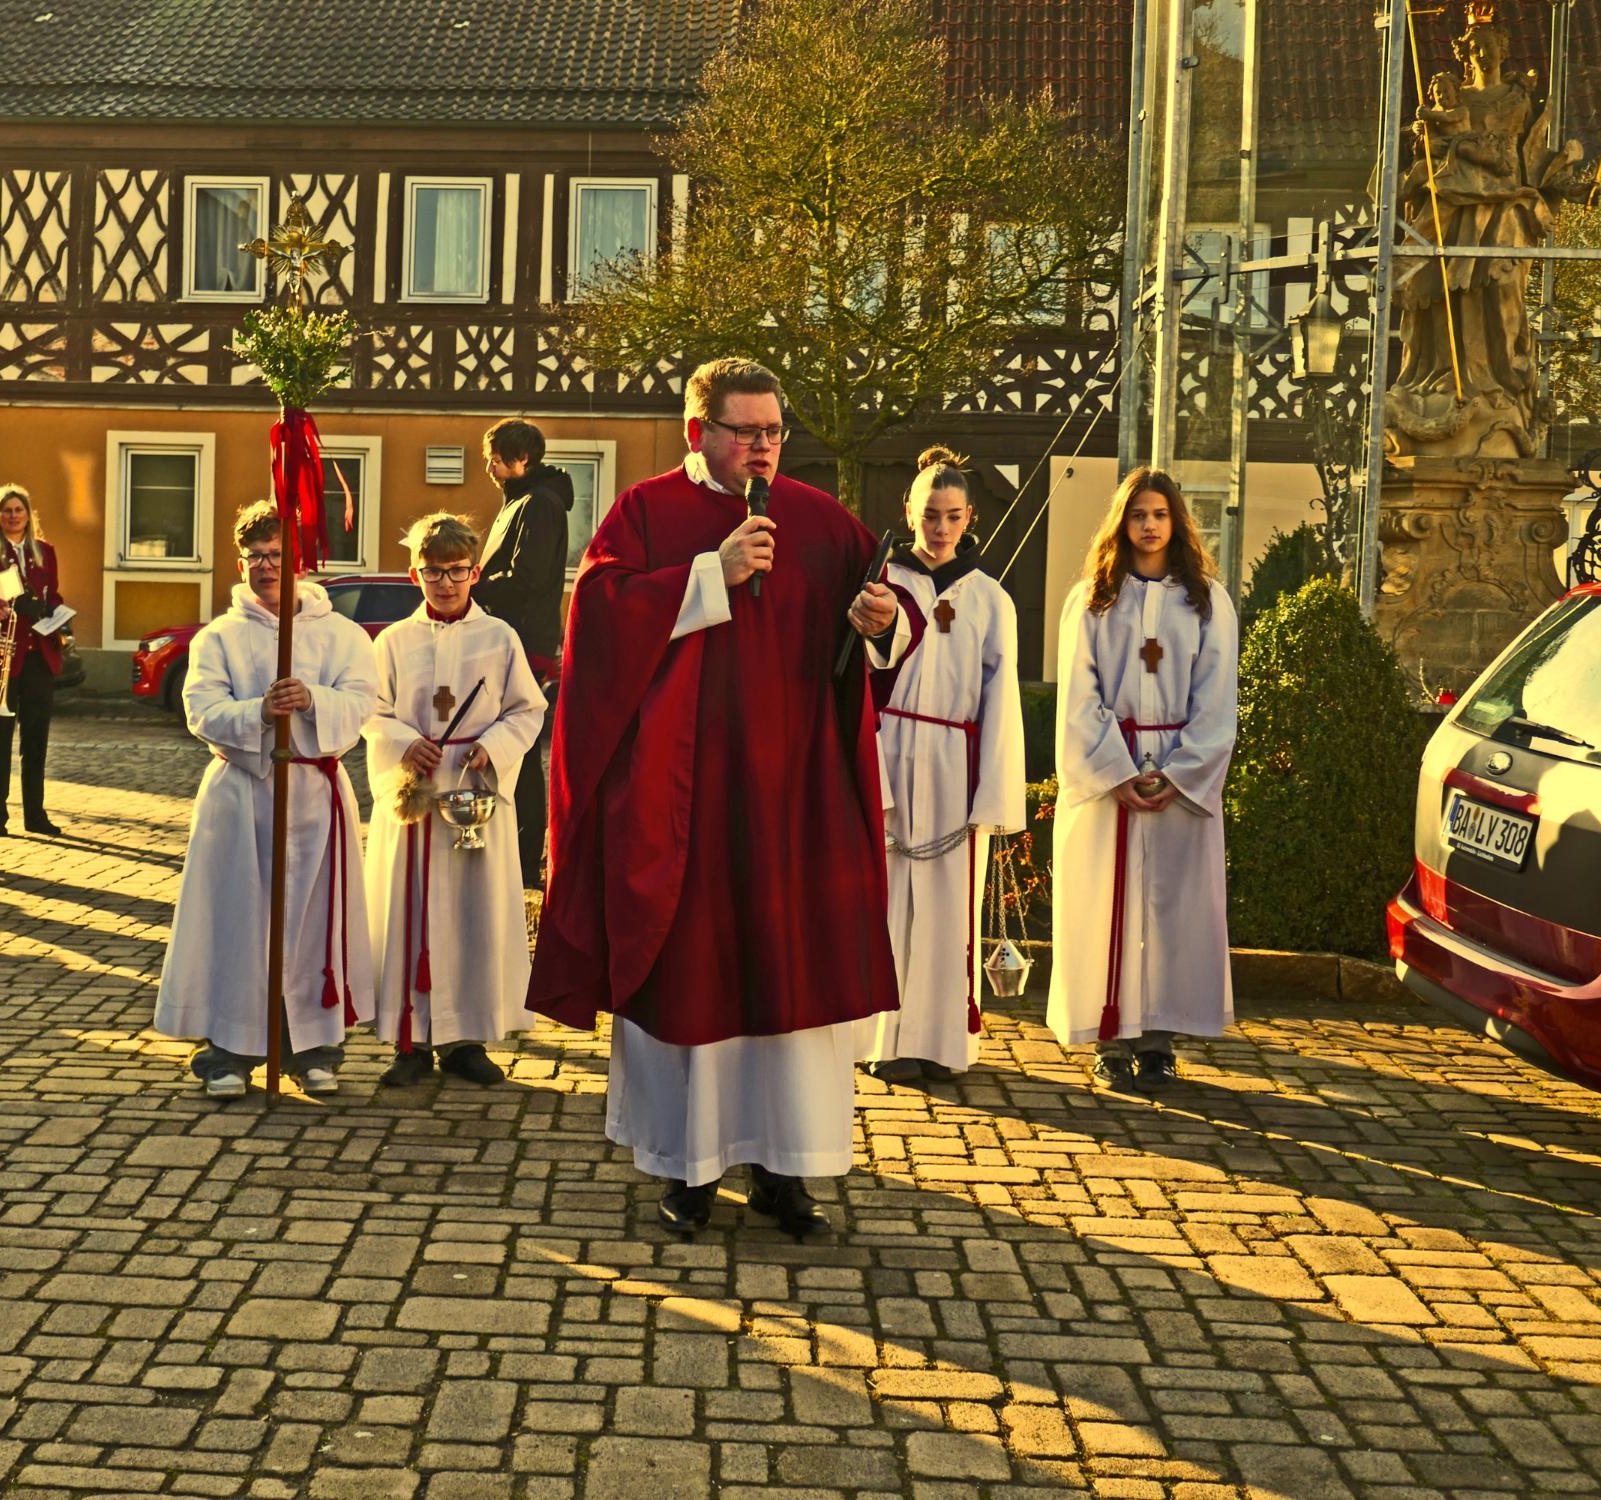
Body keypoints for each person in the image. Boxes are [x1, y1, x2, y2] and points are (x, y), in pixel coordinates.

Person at [527, 357, 902, 1240]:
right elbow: (600, 621)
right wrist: (708, 575)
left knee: (789, 978)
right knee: (691, 974)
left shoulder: (817, 518)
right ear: (700, 432)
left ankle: (788, 1169)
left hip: (792, 801)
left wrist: (885, 624)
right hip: (686, 800)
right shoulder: (648, 513)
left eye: (775, 432)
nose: (764, 448)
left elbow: (886, 617)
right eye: (747, 432)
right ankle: (684, 1169)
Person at [153, 500, 378, 1099]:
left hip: (314, 792)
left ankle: (315, 1048)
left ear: (297, 560)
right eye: (254, 556)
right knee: (237, 923)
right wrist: (258, 711)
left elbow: (361, 703)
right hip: (241, 796)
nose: (265, 566)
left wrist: (313, 702)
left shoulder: (341, 634)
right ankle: (228, 1050)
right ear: (240, 560)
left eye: (277, 555)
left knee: (311, 925)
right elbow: (200, 709)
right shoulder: (220, 636)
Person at [1049, 466, 1239, 1092]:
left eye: (1159, 514)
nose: (1149, 525)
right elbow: (1079, 694)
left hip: (1179, 774)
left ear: (1176, 521)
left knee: (1171, 916)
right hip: (1113, 774)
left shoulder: (1205, 600)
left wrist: (1179, 773)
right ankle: (1111, 1039)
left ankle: (1159, 1041)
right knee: (1109, 907)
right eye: (1138, 515)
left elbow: (1217, 700)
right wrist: (1116, 772)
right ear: (1122, 522)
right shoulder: (1094, 599)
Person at [860, 447, 1026, 1085]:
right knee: (888, 901)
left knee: (948, 910)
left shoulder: (989, 598)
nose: (939, 527)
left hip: (955, 765)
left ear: (969, 519)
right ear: (909, 511)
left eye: (952, 516)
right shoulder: (884, 585)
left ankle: (941, 1044)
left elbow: (1001, 699)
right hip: (893, 750)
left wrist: (994, 796)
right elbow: (862, 679)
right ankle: (885, 1037)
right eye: (929, 513)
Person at [364, 512, 546, 1088]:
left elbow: (528, 709)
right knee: (409, 914)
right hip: (414, 798)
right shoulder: (393, 642)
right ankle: (409, 1041)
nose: (446, 582)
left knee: (472, 917)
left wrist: (493, 746)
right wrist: (400, 742)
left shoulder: (500, 639)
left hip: (474, 798)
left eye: (458, 570)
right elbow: (371, 710)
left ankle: (466, 1040)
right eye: (433, 571)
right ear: (413, 572)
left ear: (474, 572)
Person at [471, 419, 572, 890]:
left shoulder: (539, 505)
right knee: (513, 751)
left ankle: (527, 857)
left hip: (525, 641)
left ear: (522, 460)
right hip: (515, 637)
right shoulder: (523, 501)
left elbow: (527, 578)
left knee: (523, 752)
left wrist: (475, 587)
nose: (489, 468)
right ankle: (516, 848)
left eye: (496, 459)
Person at [0, 484, 64, 837]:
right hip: (3, 657)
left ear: (28, 514)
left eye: (18, 509)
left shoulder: (45, 552)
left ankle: (35, 814)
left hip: (40, 655)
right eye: (6, 510)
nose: (12, 516)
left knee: (36, 740)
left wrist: (57, 614)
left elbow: (54, 594)